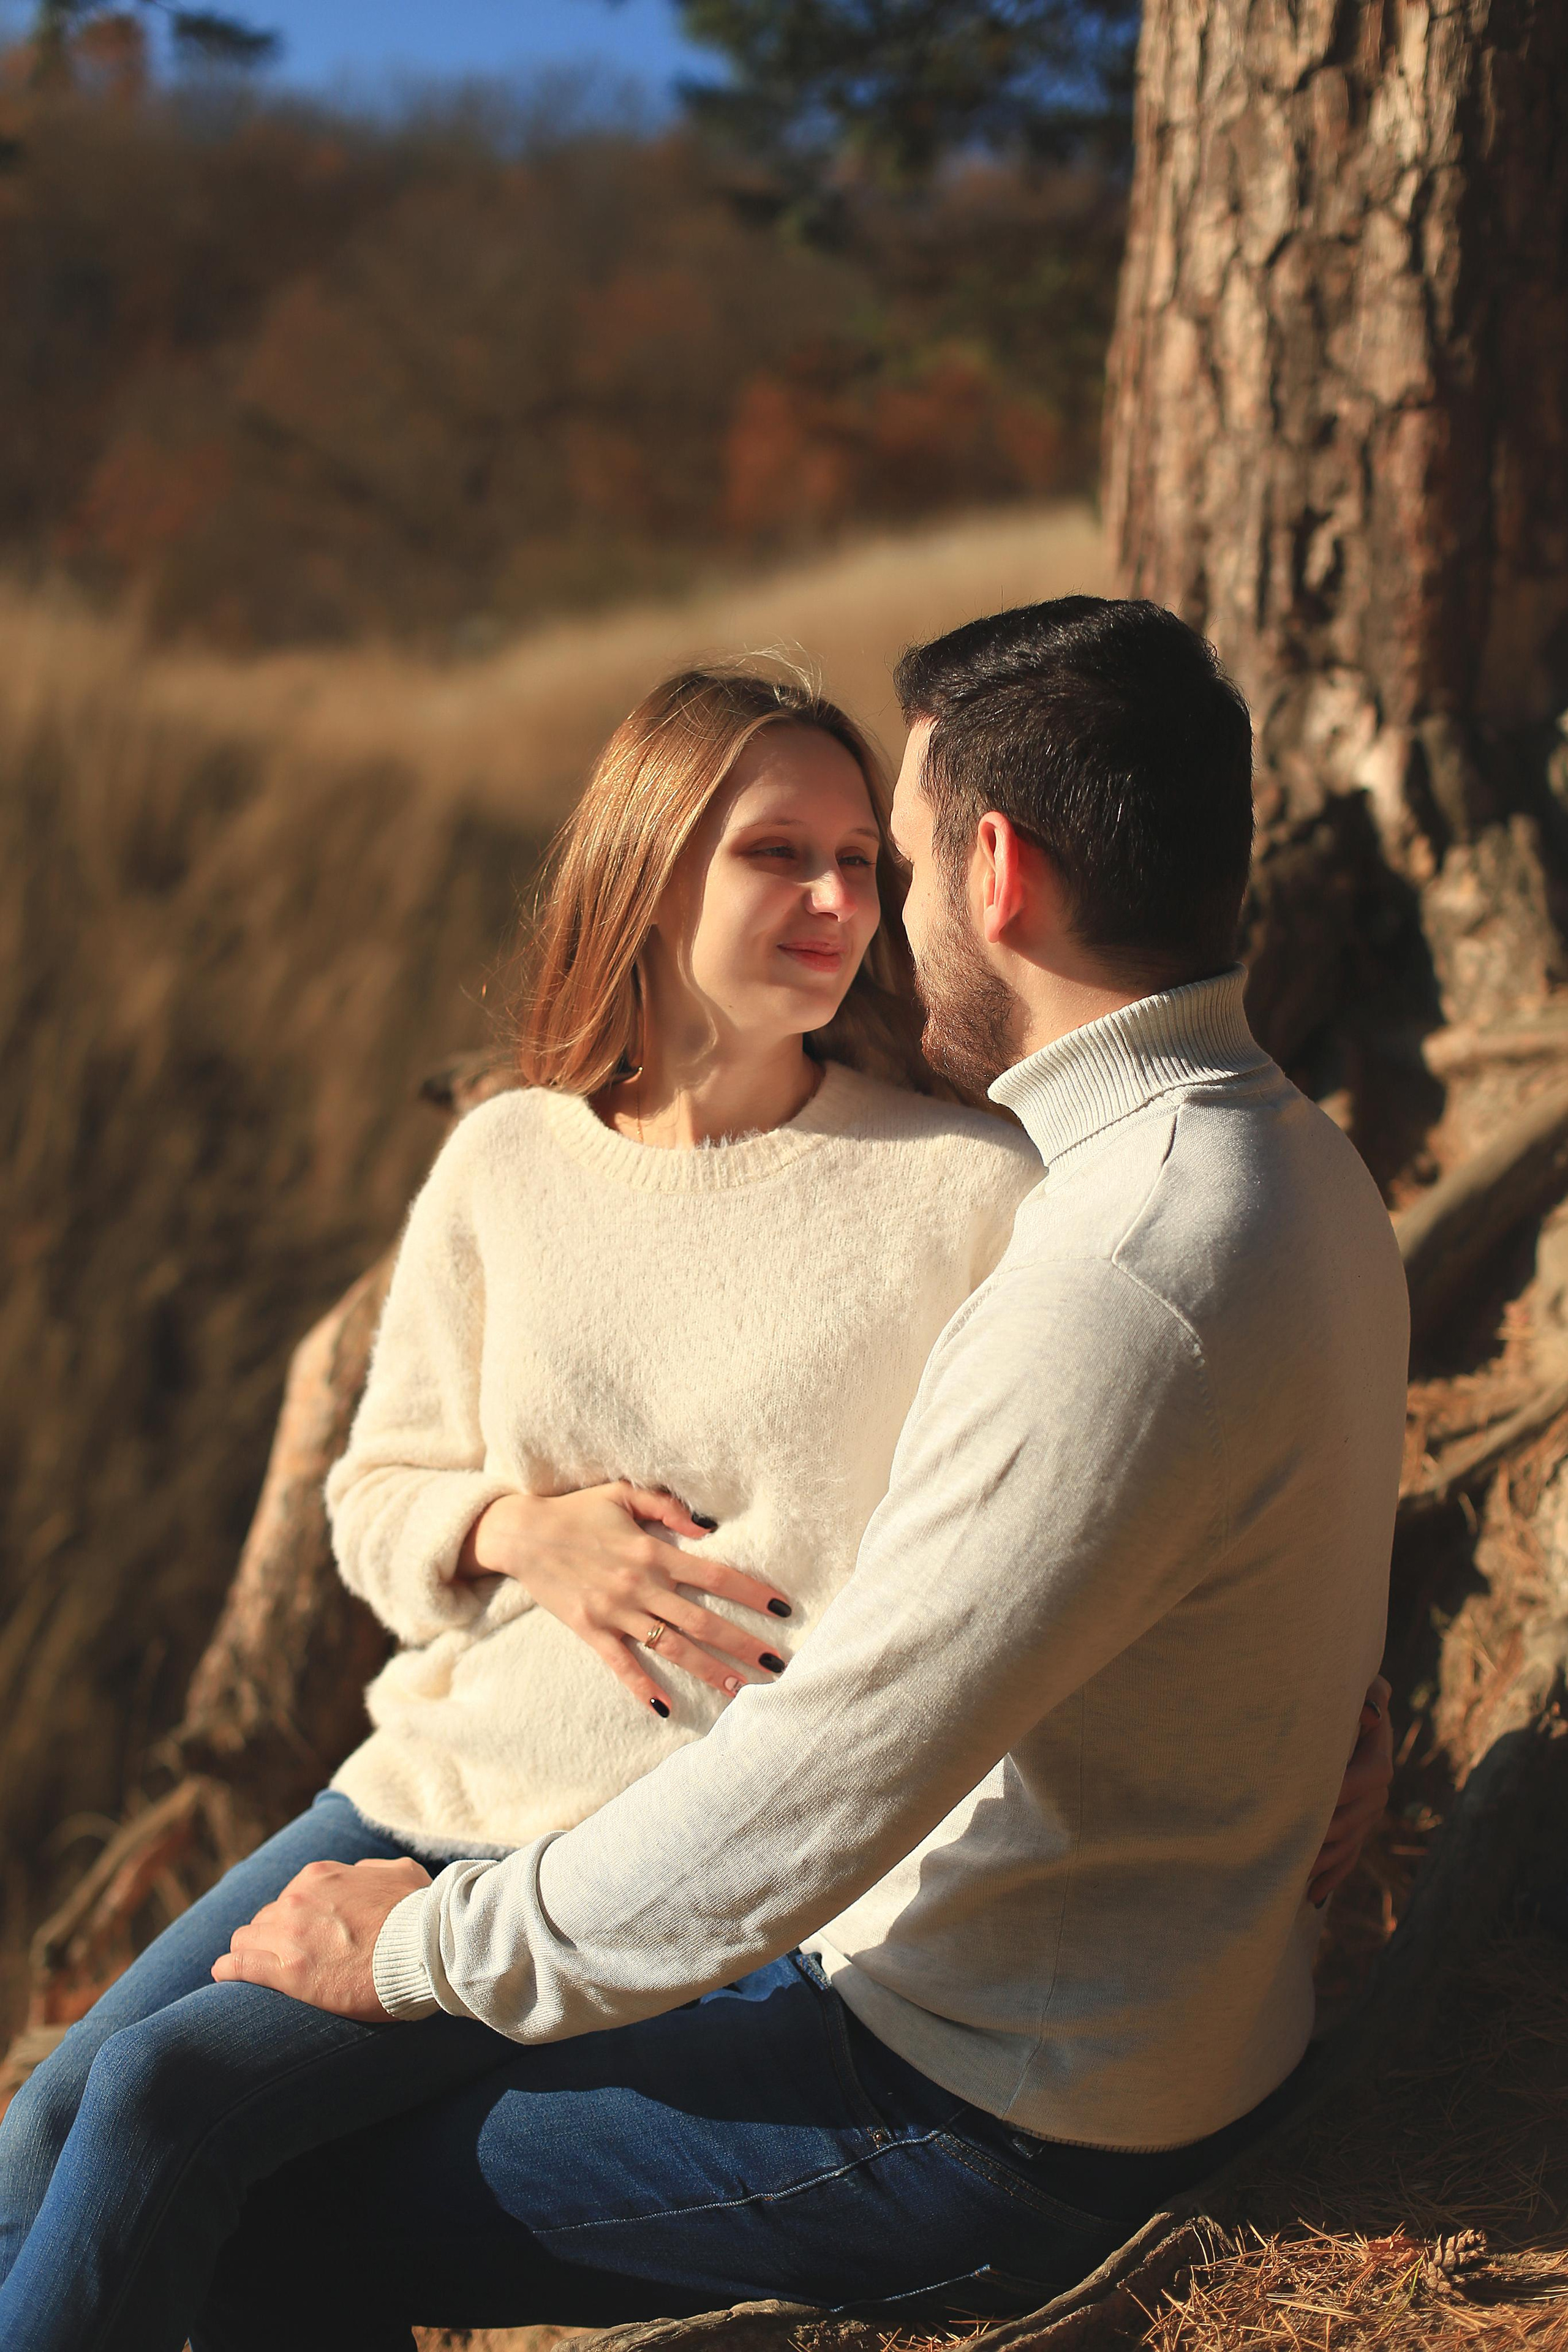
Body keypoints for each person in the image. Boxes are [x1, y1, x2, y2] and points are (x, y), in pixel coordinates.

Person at [0, 609, 1401, 2352]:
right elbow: (1185, 1532)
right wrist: (510, 1535)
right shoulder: (1275, 1170)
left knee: (199, 2170)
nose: (854, 906)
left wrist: (423, 1946)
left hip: (953, 2052)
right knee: (57, 2130)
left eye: (875, 859)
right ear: (646, 877)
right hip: (526, 1811)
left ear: (994, 871)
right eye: (781, 859)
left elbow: (838, 1764)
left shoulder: (1064, 1240)